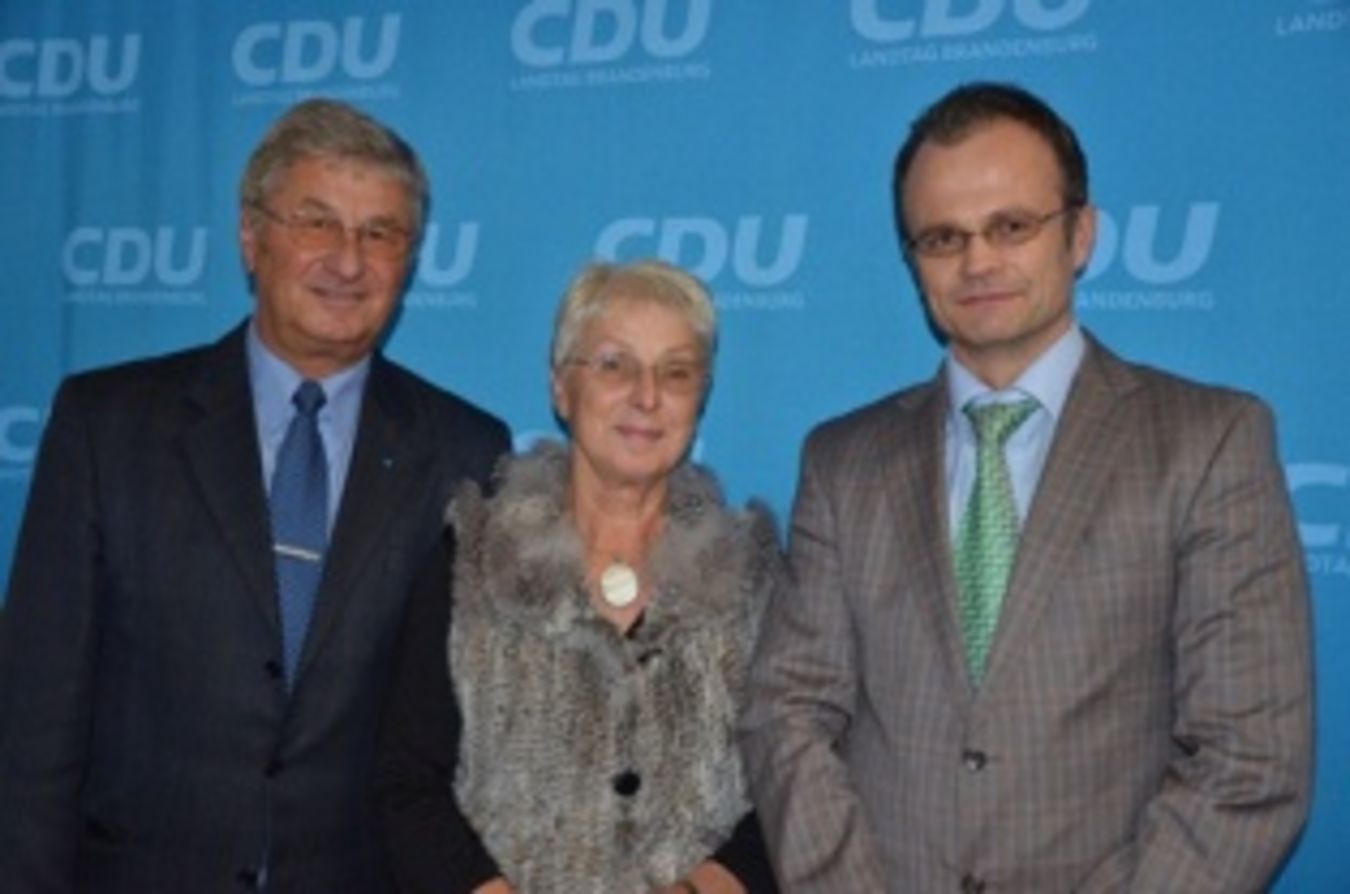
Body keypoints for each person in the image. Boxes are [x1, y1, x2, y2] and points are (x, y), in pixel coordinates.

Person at [740, 82, 1313, 893]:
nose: (978, 262)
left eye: (1011, 226)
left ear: (1080, 233)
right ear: (913, 261)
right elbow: (788, 713)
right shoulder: (843, 462)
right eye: (943, 237)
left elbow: (1250, 761)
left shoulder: (1208, 442)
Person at [0, 98, 510, 892]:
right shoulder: (108, 426)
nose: (348, 261)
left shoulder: (466, 452)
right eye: (317, 222)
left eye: (380, 233)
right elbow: (34, 720)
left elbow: (455, 740)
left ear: (409, 260)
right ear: (250, 235)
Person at [376, 260, 780, 893]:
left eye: (676, 372)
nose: (647, 395)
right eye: (614, 365)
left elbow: (793, 777)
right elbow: (407, 779)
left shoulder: (753, 574)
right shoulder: (473, 556)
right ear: (562, 388)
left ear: (701, 398)